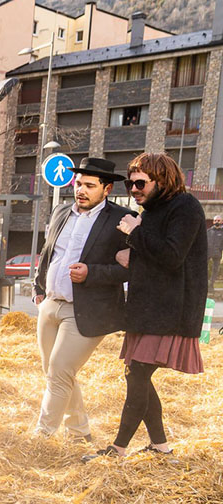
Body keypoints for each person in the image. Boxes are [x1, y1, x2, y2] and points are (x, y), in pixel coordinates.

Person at [85, 153, 208, 460]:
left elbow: (172, 256)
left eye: (140, 183)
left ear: (163, 180)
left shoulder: (185, 206)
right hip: (146, 310)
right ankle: (160, 447)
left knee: (137, 375)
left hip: (170, 312)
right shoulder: (152, 210)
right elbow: (155, 258)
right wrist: (132, 254)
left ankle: (118, 449)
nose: (133, 190)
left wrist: (135, 233)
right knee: (137, 375)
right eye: (130, 184)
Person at [30, 157, 131, 442]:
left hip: (87, 311)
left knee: (60, 371)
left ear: (107, 189)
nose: (81, 190)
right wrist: (38, 287)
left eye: (89, 185)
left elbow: (131, 268)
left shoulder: (122, 219)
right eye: (78, 184)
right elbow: (48, 252)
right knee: (54, 372)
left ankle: (42, 437)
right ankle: (79, 431)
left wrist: (91, 273)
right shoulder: (61, 211)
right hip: (50, 304)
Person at [208, 215, 223, 287]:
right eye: (215, 220)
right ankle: (205, 283)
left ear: (221, 222)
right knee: (204, 269)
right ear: (213, 222)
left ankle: (211, 284)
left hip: (218, 254)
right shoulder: (208, 231)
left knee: (215, 270)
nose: (217, 222)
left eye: (218, 220)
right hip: (208, 253)